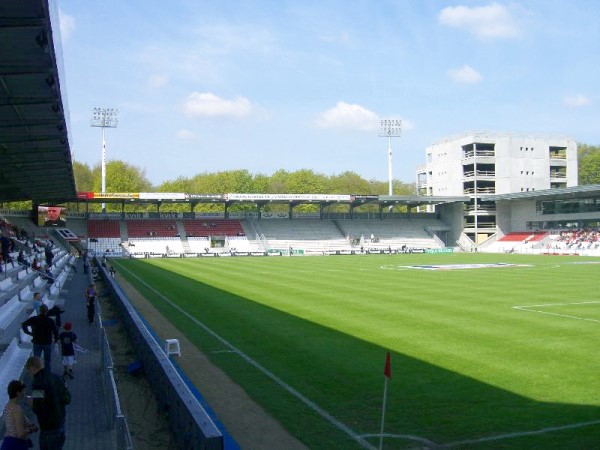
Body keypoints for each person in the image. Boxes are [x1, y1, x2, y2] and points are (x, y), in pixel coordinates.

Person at [25, 356, 70, 450]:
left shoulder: (38, 384)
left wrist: (32, 403)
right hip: (61, 424)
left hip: (48, 429)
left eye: (29, 370)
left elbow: (38, 408)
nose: (29, 374)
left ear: (33, 368)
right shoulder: (58, 378)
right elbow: (67, 399)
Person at [1, 380, 39, 450]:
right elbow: (20, 434)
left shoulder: (8, 406)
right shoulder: (17, 409)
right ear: (18, 392)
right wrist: (32, 429)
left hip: (7, 443)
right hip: (16, 445)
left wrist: (29, 424)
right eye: (23, 391)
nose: (24, 393)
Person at [21, 304, 59, 370]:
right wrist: (56, 340)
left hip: (37, 341)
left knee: (36, 360)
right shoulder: (50, 321)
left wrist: (28, 332)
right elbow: (55, 331)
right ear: (47, 311)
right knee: (47, 360)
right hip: (47, 342)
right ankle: (47, 373)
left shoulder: (34, 319)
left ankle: (37, 373)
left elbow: (24, 324)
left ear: (40, 311)